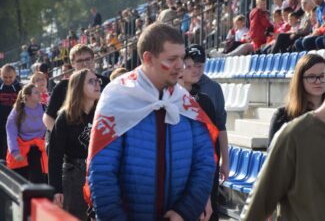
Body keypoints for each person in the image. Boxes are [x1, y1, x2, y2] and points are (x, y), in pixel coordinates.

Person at [85, 23, 218, 221]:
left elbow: (205, 162)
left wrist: (185, 211)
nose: (180, 66)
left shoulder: (185, 102)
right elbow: (102, 172)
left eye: (182, 57)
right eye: (172, 59)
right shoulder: (116, 98)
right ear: (148, 58)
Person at [241, 40, 325, 221]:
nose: (317, 81)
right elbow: (256, 211)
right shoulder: (294, 134)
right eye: (311, 77)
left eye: (319, 76)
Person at [48, 69, 101, 220]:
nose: (97, 84)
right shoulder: (65, 117)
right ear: (78, 87)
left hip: (98, 176)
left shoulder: (102, 113)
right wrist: (56, 189)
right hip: (73, 177)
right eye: (91, 81)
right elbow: (55, 156)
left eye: (97, 81)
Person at [180, 48, 220, 221]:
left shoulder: (204, 100)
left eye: (196, 66)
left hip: (202, 170)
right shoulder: (161, 101)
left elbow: (215, 138)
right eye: (187, 66)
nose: (193, 70)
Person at [188, 44, 229, 189]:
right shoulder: (176, 86)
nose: (196, 70)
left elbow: (221, 126)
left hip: (210, 152)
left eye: (200, 65)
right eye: (192, 65)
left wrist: (225, 161)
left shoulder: (213, 88)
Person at [43, 44, 109, 132]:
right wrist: (60, 137)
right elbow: (48, 118)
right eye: (80, 61)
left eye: (88, 59)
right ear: (72, 64)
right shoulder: (63, 86)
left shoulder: (105, 82)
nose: (85, 63)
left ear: (93, 60)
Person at [268, 54, 325, 146]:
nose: (318, 81)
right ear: (300, 80)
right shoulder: (282, 116)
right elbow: (274, 156)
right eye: (311, 77)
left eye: (323, 76)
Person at [6, 83, 47, 183]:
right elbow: (11, 133)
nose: (40, 94)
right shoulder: (18, 111)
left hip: (40, 150)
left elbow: (51, 128)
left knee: (39, 182)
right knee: (21, 182)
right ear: (28, 96)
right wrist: (15, 152)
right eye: (36, 92)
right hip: (22, 151)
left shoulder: (45, 108)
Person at [0, 65, 22, 160]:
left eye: (10, 77)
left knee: (12, 138)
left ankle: (12, 158)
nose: (8, 80)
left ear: (15, 76)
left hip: (13, 118)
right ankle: (2, 158)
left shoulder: (18, 87)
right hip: (1, 117)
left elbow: (22, 101)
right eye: (5, 77)